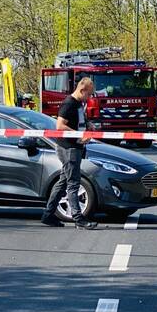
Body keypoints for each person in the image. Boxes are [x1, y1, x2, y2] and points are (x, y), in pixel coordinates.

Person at [42, 75, 98, 230]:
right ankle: (78, 218)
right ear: (82, 90)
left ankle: (48, 215)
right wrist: (79, 135)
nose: (90, 97)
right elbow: (60, 126)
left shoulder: (79, 104)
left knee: (63, 183)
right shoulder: (69, 103)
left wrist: (88, 124)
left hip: (74, 147)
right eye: (89, 94)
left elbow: (77, 121)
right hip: (68, 148)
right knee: (74, 182)